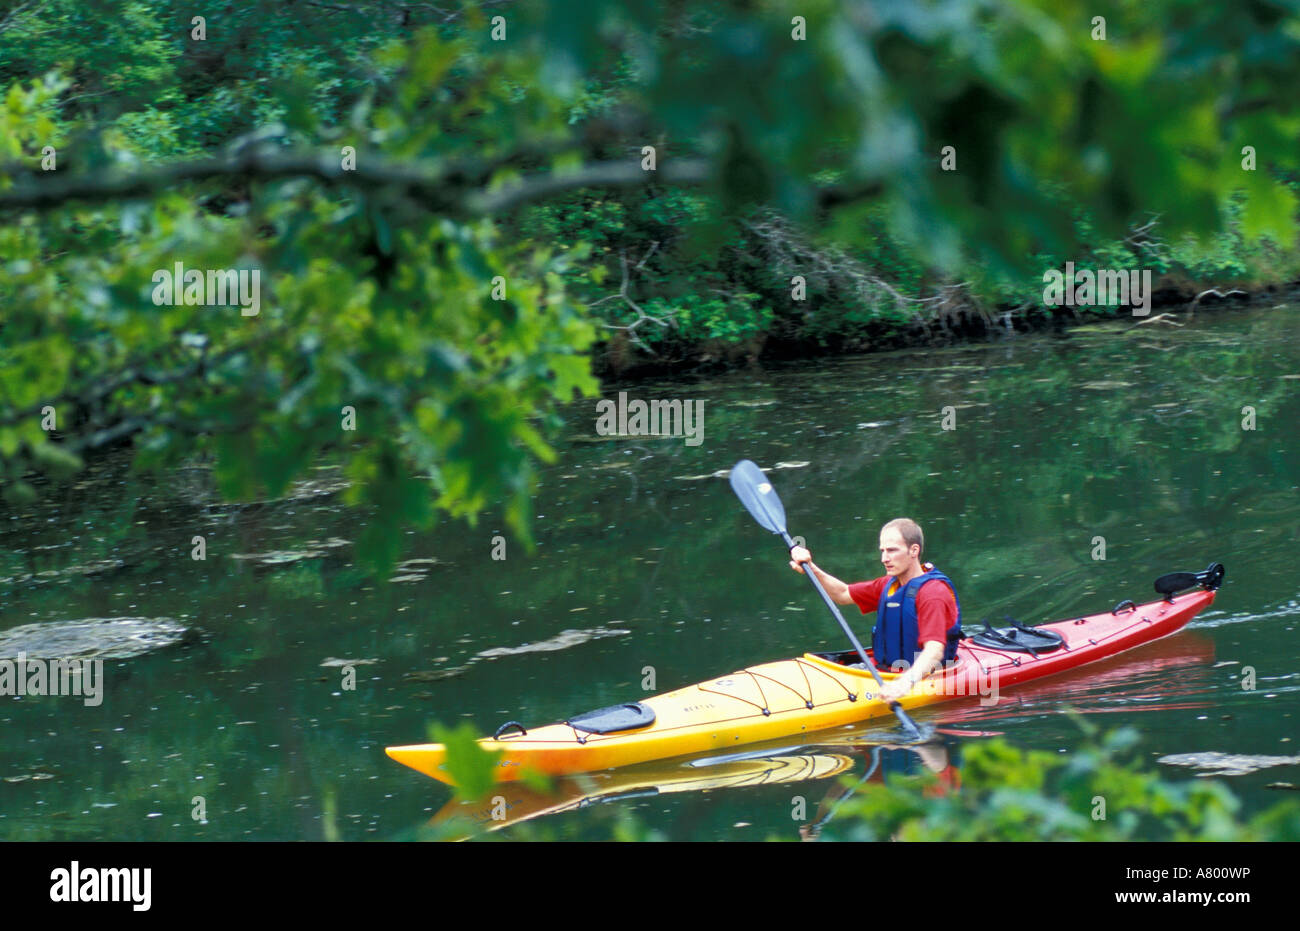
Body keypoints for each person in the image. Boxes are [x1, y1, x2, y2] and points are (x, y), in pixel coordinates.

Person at [788, 517, 962, 701]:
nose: (884, 558)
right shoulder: (889, 584)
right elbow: (843, 593)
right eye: (883, 551)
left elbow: (934, 650)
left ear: (914, 550)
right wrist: (811, 568)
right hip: (883, 670)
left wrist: (904, 683)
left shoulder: (933, 593)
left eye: (892, 550)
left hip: (922, 677)